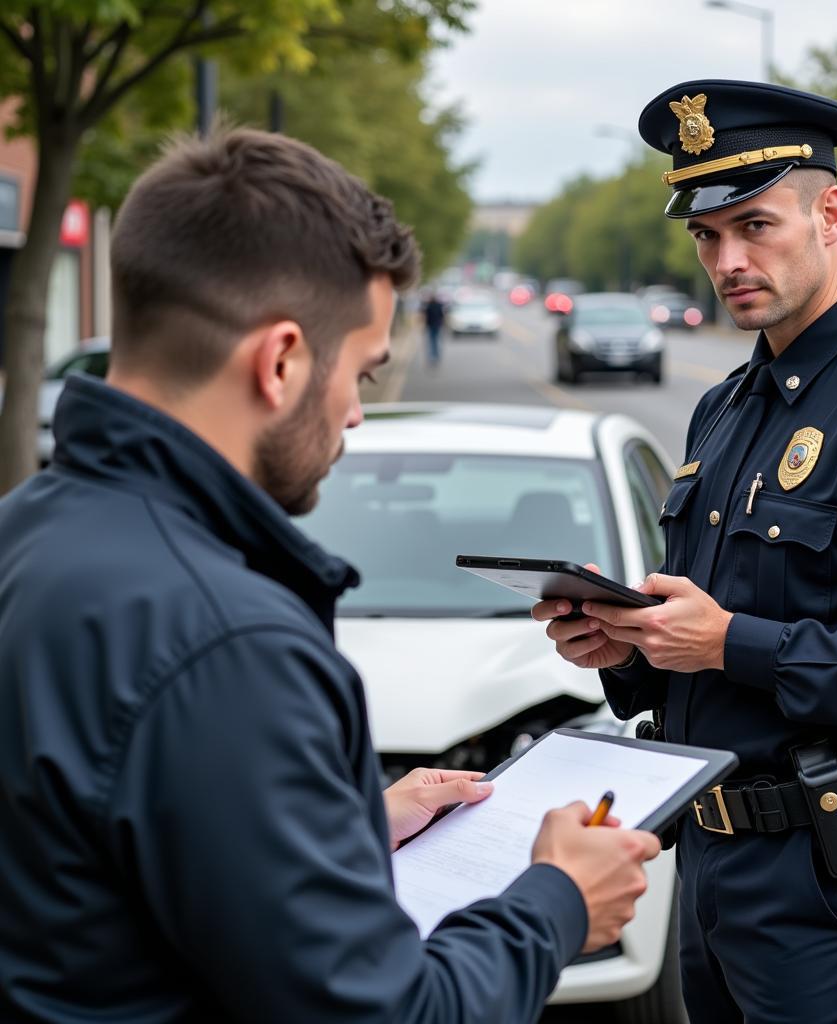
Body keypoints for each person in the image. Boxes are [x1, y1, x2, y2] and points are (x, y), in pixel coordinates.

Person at [0, 129, 662, 1023]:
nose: (355, 411)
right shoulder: (229, 642)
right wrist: (555, 902)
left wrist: (343, 830)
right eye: (360, 370)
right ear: (279, 362)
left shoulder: (28, 534)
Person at [533, 80, 837, 1023]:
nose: (728, 259)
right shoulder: (727, 407)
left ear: (828, 214)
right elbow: (716, 629)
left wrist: (727, 643)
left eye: (756, 225)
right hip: (713, 864)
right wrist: (633, 650)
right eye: (707, 237)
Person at [422, 289, 446, 365]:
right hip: (437, 325)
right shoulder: (438, 305)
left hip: (431, 325)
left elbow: (425, 317)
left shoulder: (428, 306)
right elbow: (442, 316)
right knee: (435, 341)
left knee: (432, 341)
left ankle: (433, 355)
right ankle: (435, 355)